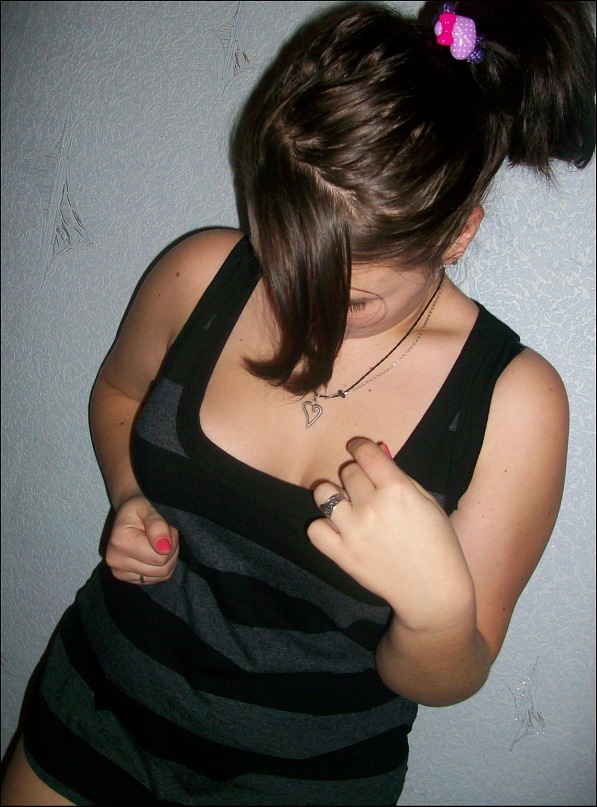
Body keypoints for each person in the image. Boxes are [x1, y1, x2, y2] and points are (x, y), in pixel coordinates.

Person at [2, 1, 595, 804]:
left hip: (303, 786)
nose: (296, 306)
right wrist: (130, 491)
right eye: (276, 255)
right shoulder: (199, 273)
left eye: (353, 298)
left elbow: (448, 677)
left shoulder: (514, 403)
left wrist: (435, 611)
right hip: (97, 710)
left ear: (457, 235)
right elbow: (119, 390)